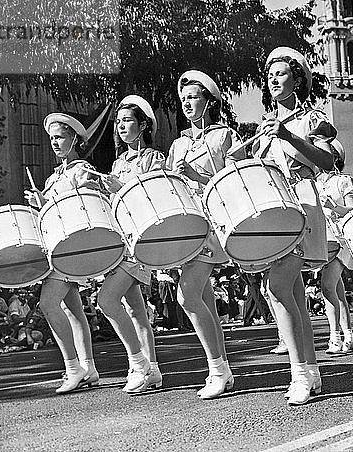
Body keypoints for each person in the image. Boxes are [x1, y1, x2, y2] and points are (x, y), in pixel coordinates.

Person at [252, 47, 335, 405]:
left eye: (281, 73)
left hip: (302, 201)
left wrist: (287, 136)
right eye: (270, 73)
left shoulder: (311, 119)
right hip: (274, 205)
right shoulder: (262, 127)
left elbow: (328, 161)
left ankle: (298, 372)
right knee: (294, 294)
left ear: (297, 80)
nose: (273, 78)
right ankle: (312, 370)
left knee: (277, 287)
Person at [165, 70, 245, 399]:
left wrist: (196, 174)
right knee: (205, 299)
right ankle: (222, 369)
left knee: (187, 296)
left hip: (214, 223)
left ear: (209, 101)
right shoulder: (178, 143)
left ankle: (217, 369)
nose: (187, 104)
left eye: (193, 97)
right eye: (183, 99)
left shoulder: (224, 136)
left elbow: (235, 179)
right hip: (189, 225)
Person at [24, 113, 100, 393]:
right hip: (58, 247)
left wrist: (51, 202)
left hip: (72, 247)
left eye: (60, 137)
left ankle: (73, 368)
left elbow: (85, 204)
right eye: (52, 139)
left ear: (74, 139)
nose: (54, 143)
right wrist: (39, 202)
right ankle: (88, 367)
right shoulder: (54, 176)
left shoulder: (82, 170)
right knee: (72, 309)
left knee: (48, 304)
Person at [98, 95, 164, 393]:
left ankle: (139, 364)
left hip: (141, 241)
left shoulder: (153, 158)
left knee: (106, 300)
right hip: (121, 240)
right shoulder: (118, 162)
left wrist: (120, 187)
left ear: (143, 125)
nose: (121, 126)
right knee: (135, 309)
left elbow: (154, 200)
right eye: (118, 122)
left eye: (127, 121)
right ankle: (153, 369)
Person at [317, 139, 353, 353]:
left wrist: (334, 207)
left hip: (340, 239)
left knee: (327, 287)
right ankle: (348, 335)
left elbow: (352, 209)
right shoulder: (313, 183)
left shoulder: (343, 181)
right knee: (336, 290)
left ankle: (334, 335)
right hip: (322, 240)